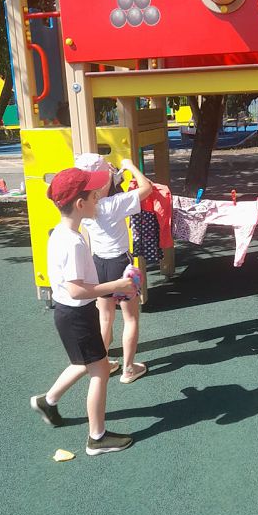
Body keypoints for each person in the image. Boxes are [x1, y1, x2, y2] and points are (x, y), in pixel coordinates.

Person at [30, 166, 136, 456]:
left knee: (84, 362)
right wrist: (117, 285)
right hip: (76, 314)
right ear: (80, 204)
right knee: (100, 370)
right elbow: (77, 290)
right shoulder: (74, 242)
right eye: (94, 196)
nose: (98, 200)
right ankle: (96, 437)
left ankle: (48, 401)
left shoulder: (61, 234)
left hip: (69, 314)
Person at [75, 152, 153, 384]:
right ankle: (128, 369)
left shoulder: (83, 205)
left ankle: (103, 363)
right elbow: (146, 188)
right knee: (131, 318)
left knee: (105, 318)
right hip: (120, 265)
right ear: (102, 181)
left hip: (98, 264)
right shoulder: (114, 204)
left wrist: (111, 177)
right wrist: (130, 166)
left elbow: (102, 188)